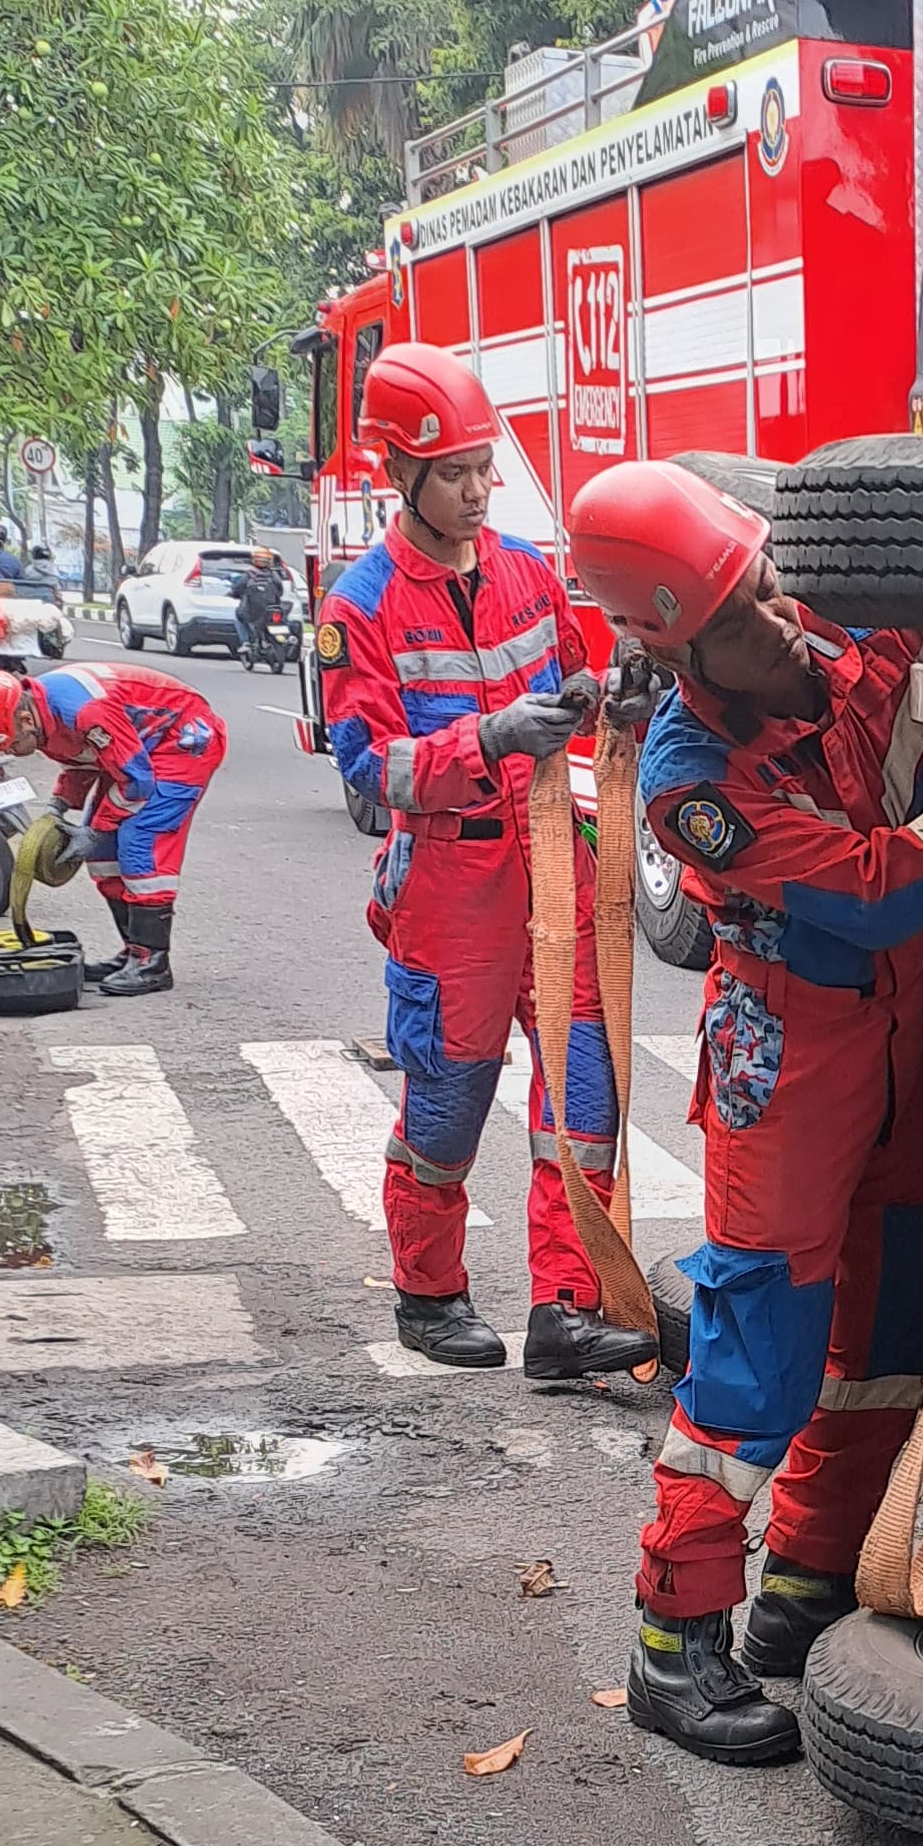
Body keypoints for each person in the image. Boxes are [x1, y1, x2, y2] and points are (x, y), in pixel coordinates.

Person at [565, 453, 923, 1761]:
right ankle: (678, 1634)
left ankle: (808, 1588)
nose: (778, 620)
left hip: (903, 1020)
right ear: (677, 647)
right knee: (761, 1341)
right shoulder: (689, 778)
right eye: (738, 618)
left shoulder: (844, 626)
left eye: (766, 583)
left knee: (883, 1314)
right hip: (791, 1042)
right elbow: (878, 885)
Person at [317, 346, 651, 1382]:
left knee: (580, 1102)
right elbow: (373, 769)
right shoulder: (358, 609)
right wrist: (492, 739)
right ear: (399, 471)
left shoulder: (523, 573)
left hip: (552, 874)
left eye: (483, 467)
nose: (476, 489)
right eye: (454, 471)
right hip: (449, 894)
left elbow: (571, 674)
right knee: (447, 1112)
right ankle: (429, 1294)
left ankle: (564, 1309)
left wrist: (614, 699)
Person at [0, 660, 222, 997]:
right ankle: (133, 951)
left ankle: (152, 962)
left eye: (9, 745)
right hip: (135, 747)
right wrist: (58, 808)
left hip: (181, 739)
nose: (10, 752)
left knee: (140, 841)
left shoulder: (87, 711)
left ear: (24, 721)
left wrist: (93, 830)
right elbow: (81, 760)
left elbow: (136, 782)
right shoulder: (38, 712)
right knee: (103, 854)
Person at [231, 551, 287, 666]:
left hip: (252, 612)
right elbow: (280, 592)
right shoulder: (274, 575)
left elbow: (237, 588)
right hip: (272, 610)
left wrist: (233, 593)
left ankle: (246, 642)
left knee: (238, 617)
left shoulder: (249, 574)